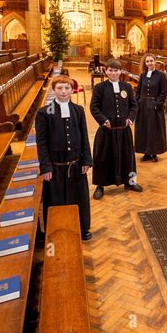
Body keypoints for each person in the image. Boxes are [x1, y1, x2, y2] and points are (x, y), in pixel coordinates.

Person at [36, 74, 93, 240]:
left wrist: (86, 160)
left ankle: (82, 228)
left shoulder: (78, 110)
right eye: (60, 88)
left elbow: (84, 136)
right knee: (56, 200)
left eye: (67, 88)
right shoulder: (44, 113)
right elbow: (42, 142)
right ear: (54, 90)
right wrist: (45, 167)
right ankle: (56, 230)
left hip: (76, 165)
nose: (63, 91)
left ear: (72, 90)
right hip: (55, 167)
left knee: (78, 199)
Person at [90, 58, 142, 200]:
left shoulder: (126, 87)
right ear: (106, 71)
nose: (113, 73)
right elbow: (94, 107)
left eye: (116, 70)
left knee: (128, 157)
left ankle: (130, 182)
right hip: (107, 131)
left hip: (124, 130)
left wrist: (130, 119)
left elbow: (134, 106)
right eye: (111, 70)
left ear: (120, 71)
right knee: (103, 158)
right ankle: (100, 185)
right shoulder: (100, 88)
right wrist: (103, 120)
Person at [134, 53, 167, 162]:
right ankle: (146, 152)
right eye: (147, 61)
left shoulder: (160, 75)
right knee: (143, 129)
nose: (149, 63)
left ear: (155, 62)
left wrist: (157, 104)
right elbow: (138, 91)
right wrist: (138, 101)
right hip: (142, 107)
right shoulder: (143, 75)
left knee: (154, 130)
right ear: (145, 63)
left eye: (151, 61)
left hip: (154, 107)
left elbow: (163, 92)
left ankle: (153, 153)